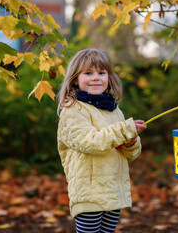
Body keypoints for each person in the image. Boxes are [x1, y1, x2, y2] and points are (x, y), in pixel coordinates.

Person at [57, 48, 147, 233]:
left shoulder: (113, 110)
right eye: (88, 73)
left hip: (112, 191)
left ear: (109, 77)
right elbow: (90, 142)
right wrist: (124, 130)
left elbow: (128, 155)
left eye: (101, 73)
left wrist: (130, 142)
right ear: (75, 79)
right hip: (88, 192)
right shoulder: (73, 110)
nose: (96, 78)